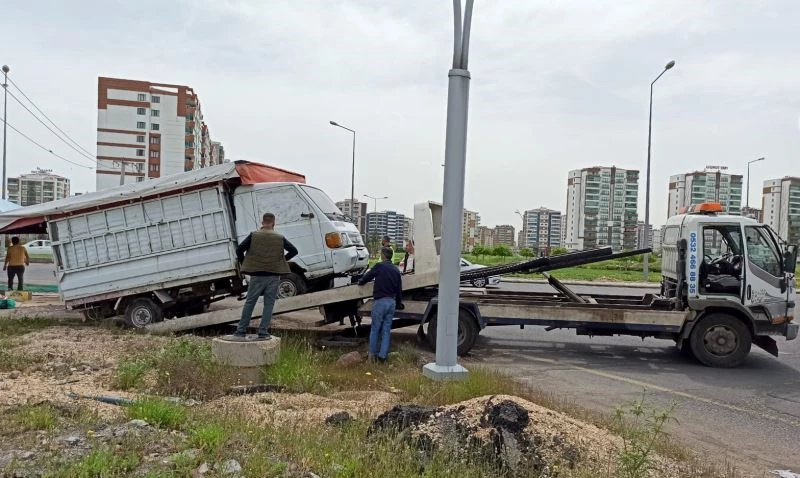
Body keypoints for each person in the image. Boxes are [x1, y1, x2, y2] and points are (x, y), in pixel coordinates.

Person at [230, 213, 298, 341]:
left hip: (256, 275)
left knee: (250, 302)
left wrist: (245, 263)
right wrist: (281, 260)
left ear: (262, 222)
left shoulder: (253, 235)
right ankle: (263, 332)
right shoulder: (279, 237)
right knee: (269, 304)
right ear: (274, 222)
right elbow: (294, 250)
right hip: (273, 275)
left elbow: (239, 250)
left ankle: (240, 332)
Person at [358, 246, 403, 362]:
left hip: (380, 302)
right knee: (386, 330)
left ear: (383, 255)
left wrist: (361, 282)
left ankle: (372, 355)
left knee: (375, 329)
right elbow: (399, 290)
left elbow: (368, 276)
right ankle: (383, 356)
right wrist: (399, 303)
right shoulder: (396, 270)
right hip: (391, 303)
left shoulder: (379, 267)